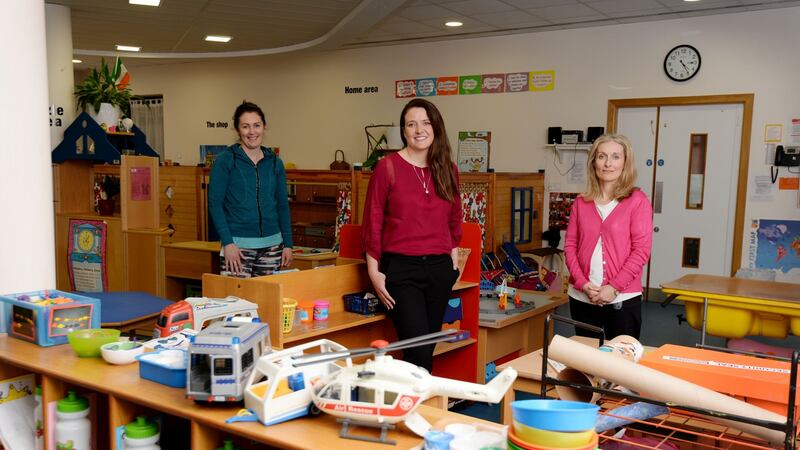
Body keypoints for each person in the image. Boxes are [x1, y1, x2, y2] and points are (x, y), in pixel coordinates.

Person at [361, 98, 463, 372]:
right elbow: (372, 220)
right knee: (418, 349)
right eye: (411, 124)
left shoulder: (448, 169)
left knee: (425, 349)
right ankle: (414, 408)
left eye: (426, 123)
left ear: (436, 127)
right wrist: (374, 271)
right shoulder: (388, 167)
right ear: (404, 131)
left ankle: (412, 407)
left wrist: (453, 260)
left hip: (440, 270)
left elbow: (455, 218)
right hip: (401, 271)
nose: (419, 129)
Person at [564, 133, 653, 340]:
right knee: (587, 362)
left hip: (622, 297)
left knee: (619, 364)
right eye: (602, 156)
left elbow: (641, 251)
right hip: (582, 296)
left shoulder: (637, 201)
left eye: (615, 157)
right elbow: (570, 246)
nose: (608, 163)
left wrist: (613, 287)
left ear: (625, 162)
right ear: (594, 161)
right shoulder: (581, 202)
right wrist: (582, 283)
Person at [208, 101, 293, 277]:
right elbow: (215, 204)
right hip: (237, 247)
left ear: (264, 127)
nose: (252, 132)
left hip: (273, 246)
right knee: (237, 302)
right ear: (238, 130)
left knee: (267, 302)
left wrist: (288, 244)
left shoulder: (275, 163)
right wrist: (228, 243)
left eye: (257, 125)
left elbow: (282, 205)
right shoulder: (225, 161)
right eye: (245, 126)